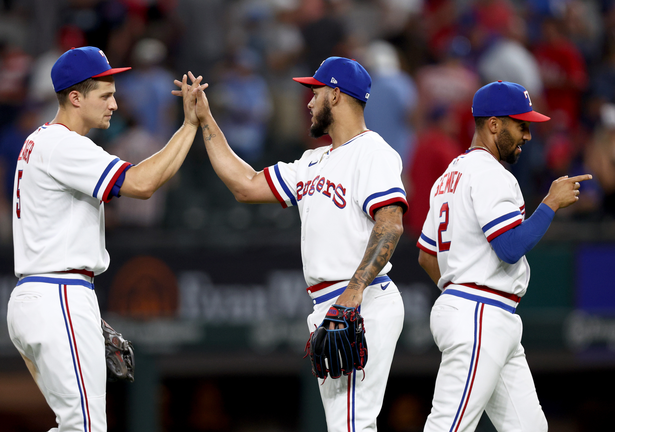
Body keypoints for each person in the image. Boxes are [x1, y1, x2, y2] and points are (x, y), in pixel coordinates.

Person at [175, 57, 408, 431]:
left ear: (336, 94)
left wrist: (354, 291)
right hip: (332, 304)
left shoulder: (373, 151)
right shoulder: (312, 161)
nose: (309, 102)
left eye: (315, 92)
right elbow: (246, 185)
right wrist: (206, 120)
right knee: (346, 424)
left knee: (352, 424)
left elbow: (391, 224)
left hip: (363, 301)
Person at [6, 46, 206, 432]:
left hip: (40, 295)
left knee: (74, 425)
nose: (116, 103)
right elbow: (142, 184)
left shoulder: (40, 141)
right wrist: (189, 127)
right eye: (105, 94)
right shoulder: (64, 144)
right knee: (84, 426)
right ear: (76, 97)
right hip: (58, 293)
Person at [416, 80, 592, 431]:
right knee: (448, 426)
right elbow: (509, 248)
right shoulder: (491, 174)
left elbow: (426, 256)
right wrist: (549, 204)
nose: (528, 135)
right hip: (480, 312)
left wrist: (455, 293)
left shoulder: (449, 176)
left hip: (481, 311)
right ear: (493, 124)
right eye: (521, 125)